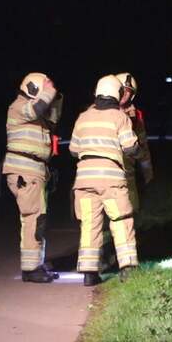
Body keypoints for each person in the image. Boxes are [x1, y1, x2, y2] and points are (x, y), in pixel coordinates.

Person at [70, 75, 140, 286]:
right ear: (116, 94)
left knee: (90, 224)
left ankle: (89, 273)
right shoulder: (120, 117)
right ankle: (127, 268)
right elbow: (130, 147)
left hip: (84, 180)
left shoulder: (82, 117)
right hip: (111, 179)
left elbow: (73, 149)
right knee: (120, 220)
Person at [3, 72, 62, 283]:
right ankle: (31, 268)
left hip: (34, 171)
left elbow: (52, 116)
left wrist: (54, 95)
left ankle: (36, 262)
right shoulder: (19, 107)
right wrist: (49, 90)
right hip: (25, 172)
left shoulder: (36, 114)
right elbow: (38, 107)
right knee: (33, 219)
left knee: (38, 218)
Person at [114, 72, 153, 209]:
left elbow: (143, 144)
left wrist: (147, 171)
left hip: (126, 172)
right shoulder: (99, 111)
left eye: (128, 91)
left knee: (130, 209)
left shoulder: (136, 115)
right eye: (122, 90)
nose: (125, 94)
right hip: (103, 171)